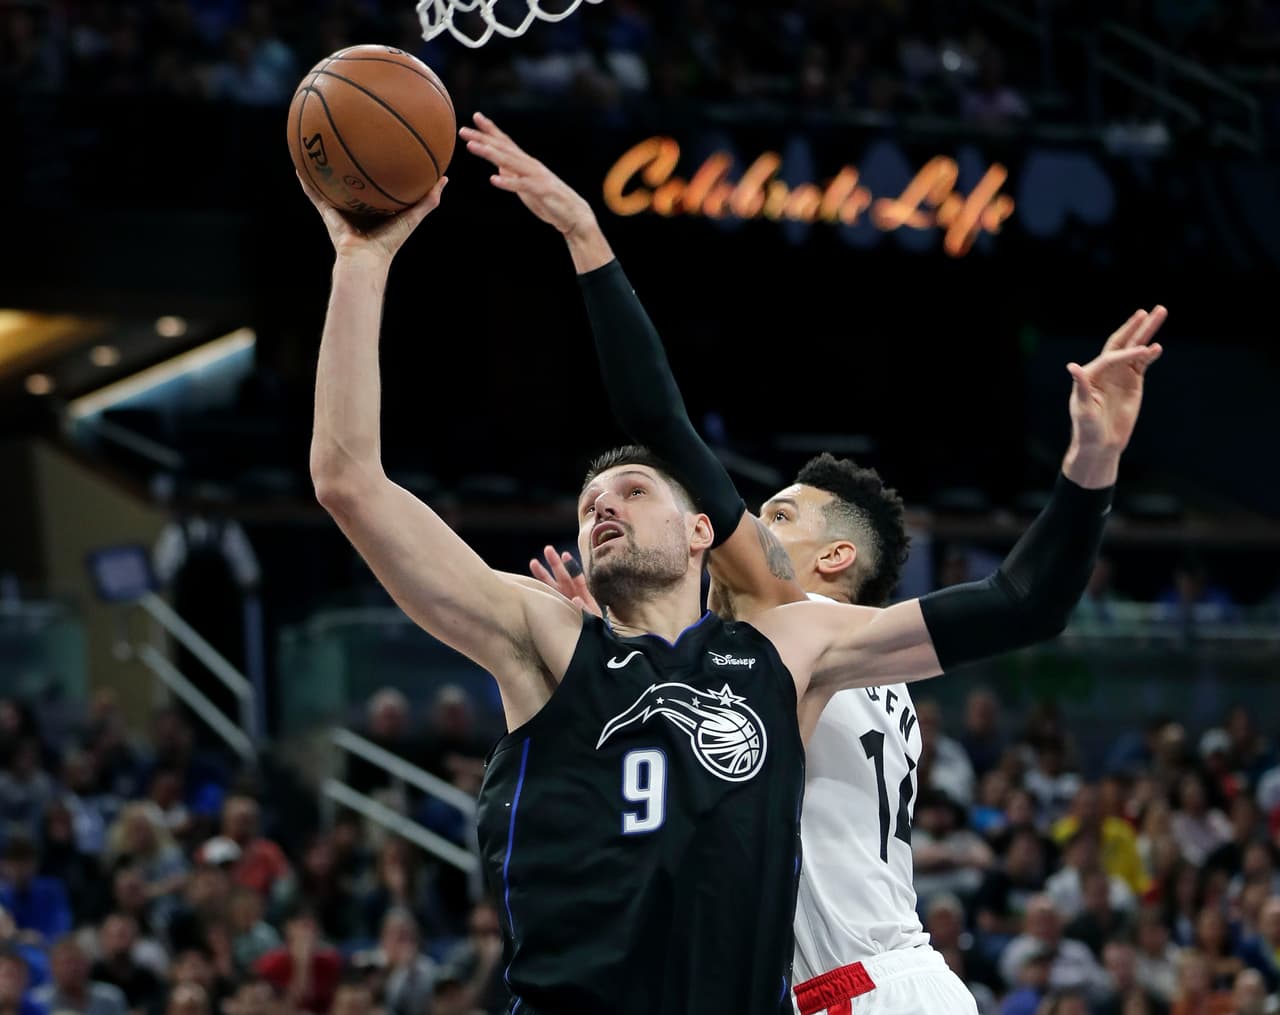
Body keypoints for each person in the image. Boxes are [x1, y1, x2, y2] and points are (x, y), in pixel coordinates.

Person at [299, 111, 1163, 1012]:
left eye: (637, 493)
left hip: (856, 988)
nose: (603, 503)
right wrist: (360, 261)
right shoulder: (553, 636)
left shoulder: (793, 640)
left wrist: (1091, 464)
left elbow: (1020, 600)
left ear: (706, 531)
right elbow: (348, 478)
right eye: (591, 501)